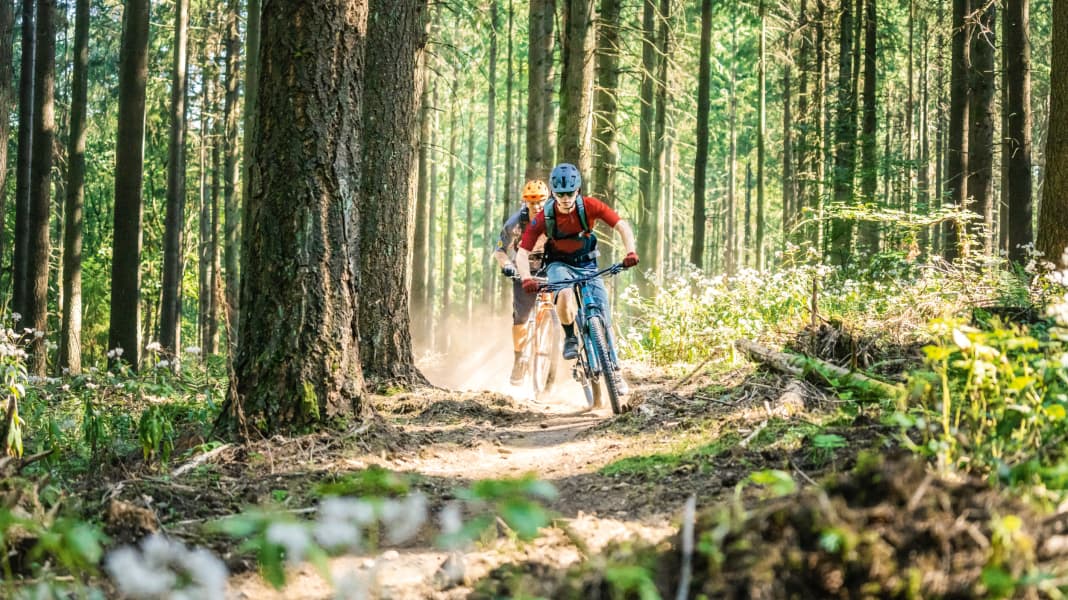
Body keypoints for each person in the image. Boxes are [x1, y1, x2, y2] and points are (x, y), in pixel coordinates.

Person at [513, 163, 638, 362]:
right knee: (564, 293)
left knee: (603, 312)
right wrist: (527, 278)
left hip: (587, 263)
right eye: (560, 194)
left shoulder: (590, 206)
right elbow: (522, 253)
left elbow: (622, 226)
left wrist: (630, 252)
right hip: (558, 264)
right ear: (553, 193)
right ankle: (570, 336)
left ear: (577, 190)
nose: (565, 198)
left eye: (570, 193)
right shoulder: (545, 216)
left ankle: (612, 365)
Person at [494, 179, 551, 384]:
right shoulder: (515, 223)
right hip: (523, 270)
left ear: (547, 200)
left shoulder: (554, 218)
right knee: (522, 317)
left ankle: (558, 342)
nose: (536, 206)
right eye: (531, 201)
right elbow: (499, 250)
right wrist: (507, 266)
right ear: (525, 201)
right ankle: (519, 359)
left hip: (549, 267)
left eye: (540, 201)